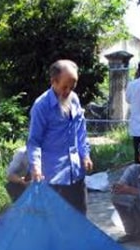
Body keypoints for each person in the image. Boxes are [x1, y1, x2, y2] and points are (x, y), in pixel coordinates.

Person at [27, 59, 93, 214]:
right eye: (65, 87)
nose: (68, 91)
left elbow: (81, 132)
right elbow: (34, 141)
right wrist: (36, 167)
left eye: (72, 86)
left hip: (76, 174)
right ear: (53, 82)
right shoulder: (41, 106)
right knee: (57, 225)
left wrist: (85, 155)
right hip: (53, 177)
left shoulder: (74, 100)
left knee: (80, 221)